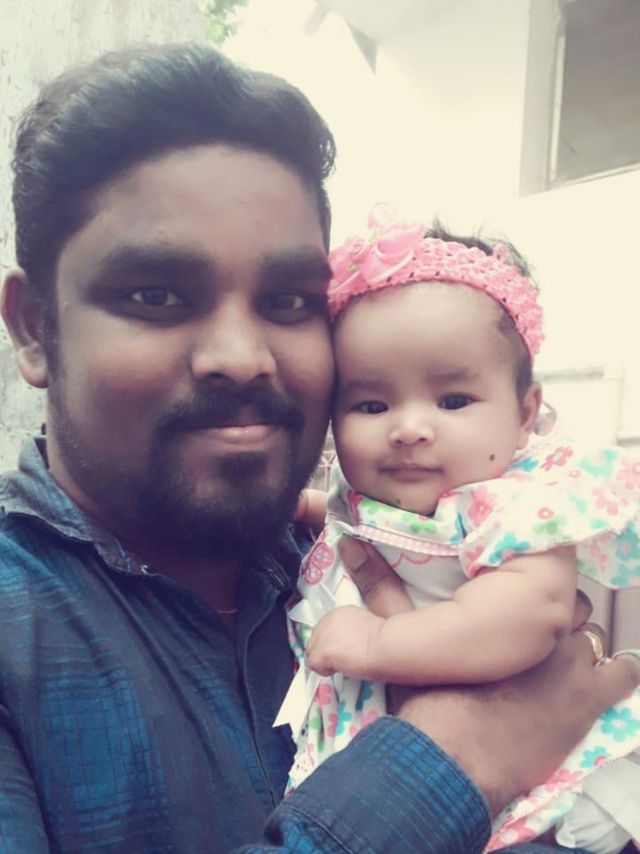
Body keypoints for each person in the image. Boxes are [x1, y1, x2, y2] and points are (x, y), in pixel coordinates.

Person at [0, 43, 638, 854]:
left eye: (289, 300)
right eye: (156, 295)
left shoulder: (362, 546)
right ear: (34, 328)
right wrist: (455, 760)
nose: (242, 356)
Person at [282, 206, 640, 852]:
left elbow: (529, 615)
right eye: (371, 404)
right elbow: (355, 522)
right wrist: (302, 508)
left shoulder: (515, 504)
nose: (408, 428)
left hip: (536, 787)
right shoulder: (385, 494)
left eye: (452, 400)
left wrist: (378, 642)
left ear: (525, 414)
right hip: (401, 775)